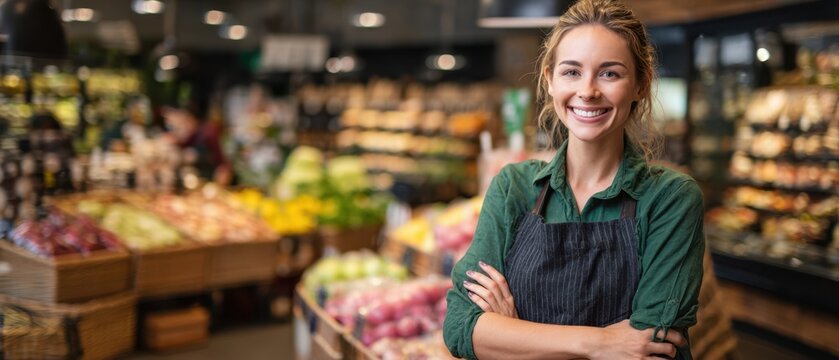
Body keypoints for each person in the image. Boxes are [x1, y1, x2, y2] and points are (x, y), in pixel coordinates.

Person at [443, 0, 705, 359]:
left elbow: (651, 351)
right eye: (571, 72)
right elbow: (459, 327)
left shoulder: (671, 198)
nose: (588, 91)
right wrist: (599, 344)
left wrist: (514, 333)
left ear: (641, 84)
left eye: (609, 73)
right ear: (549, 80)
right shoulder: (513, 187)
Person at [162, 102, 233, 186]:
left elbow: (222, 159)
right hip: (195, 184)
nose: (183, 125)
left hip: (211, 181)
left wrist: (224, 171)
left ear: (193, 119)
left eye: (186, 121)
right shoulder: (189, 136)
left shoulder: (208, 132)